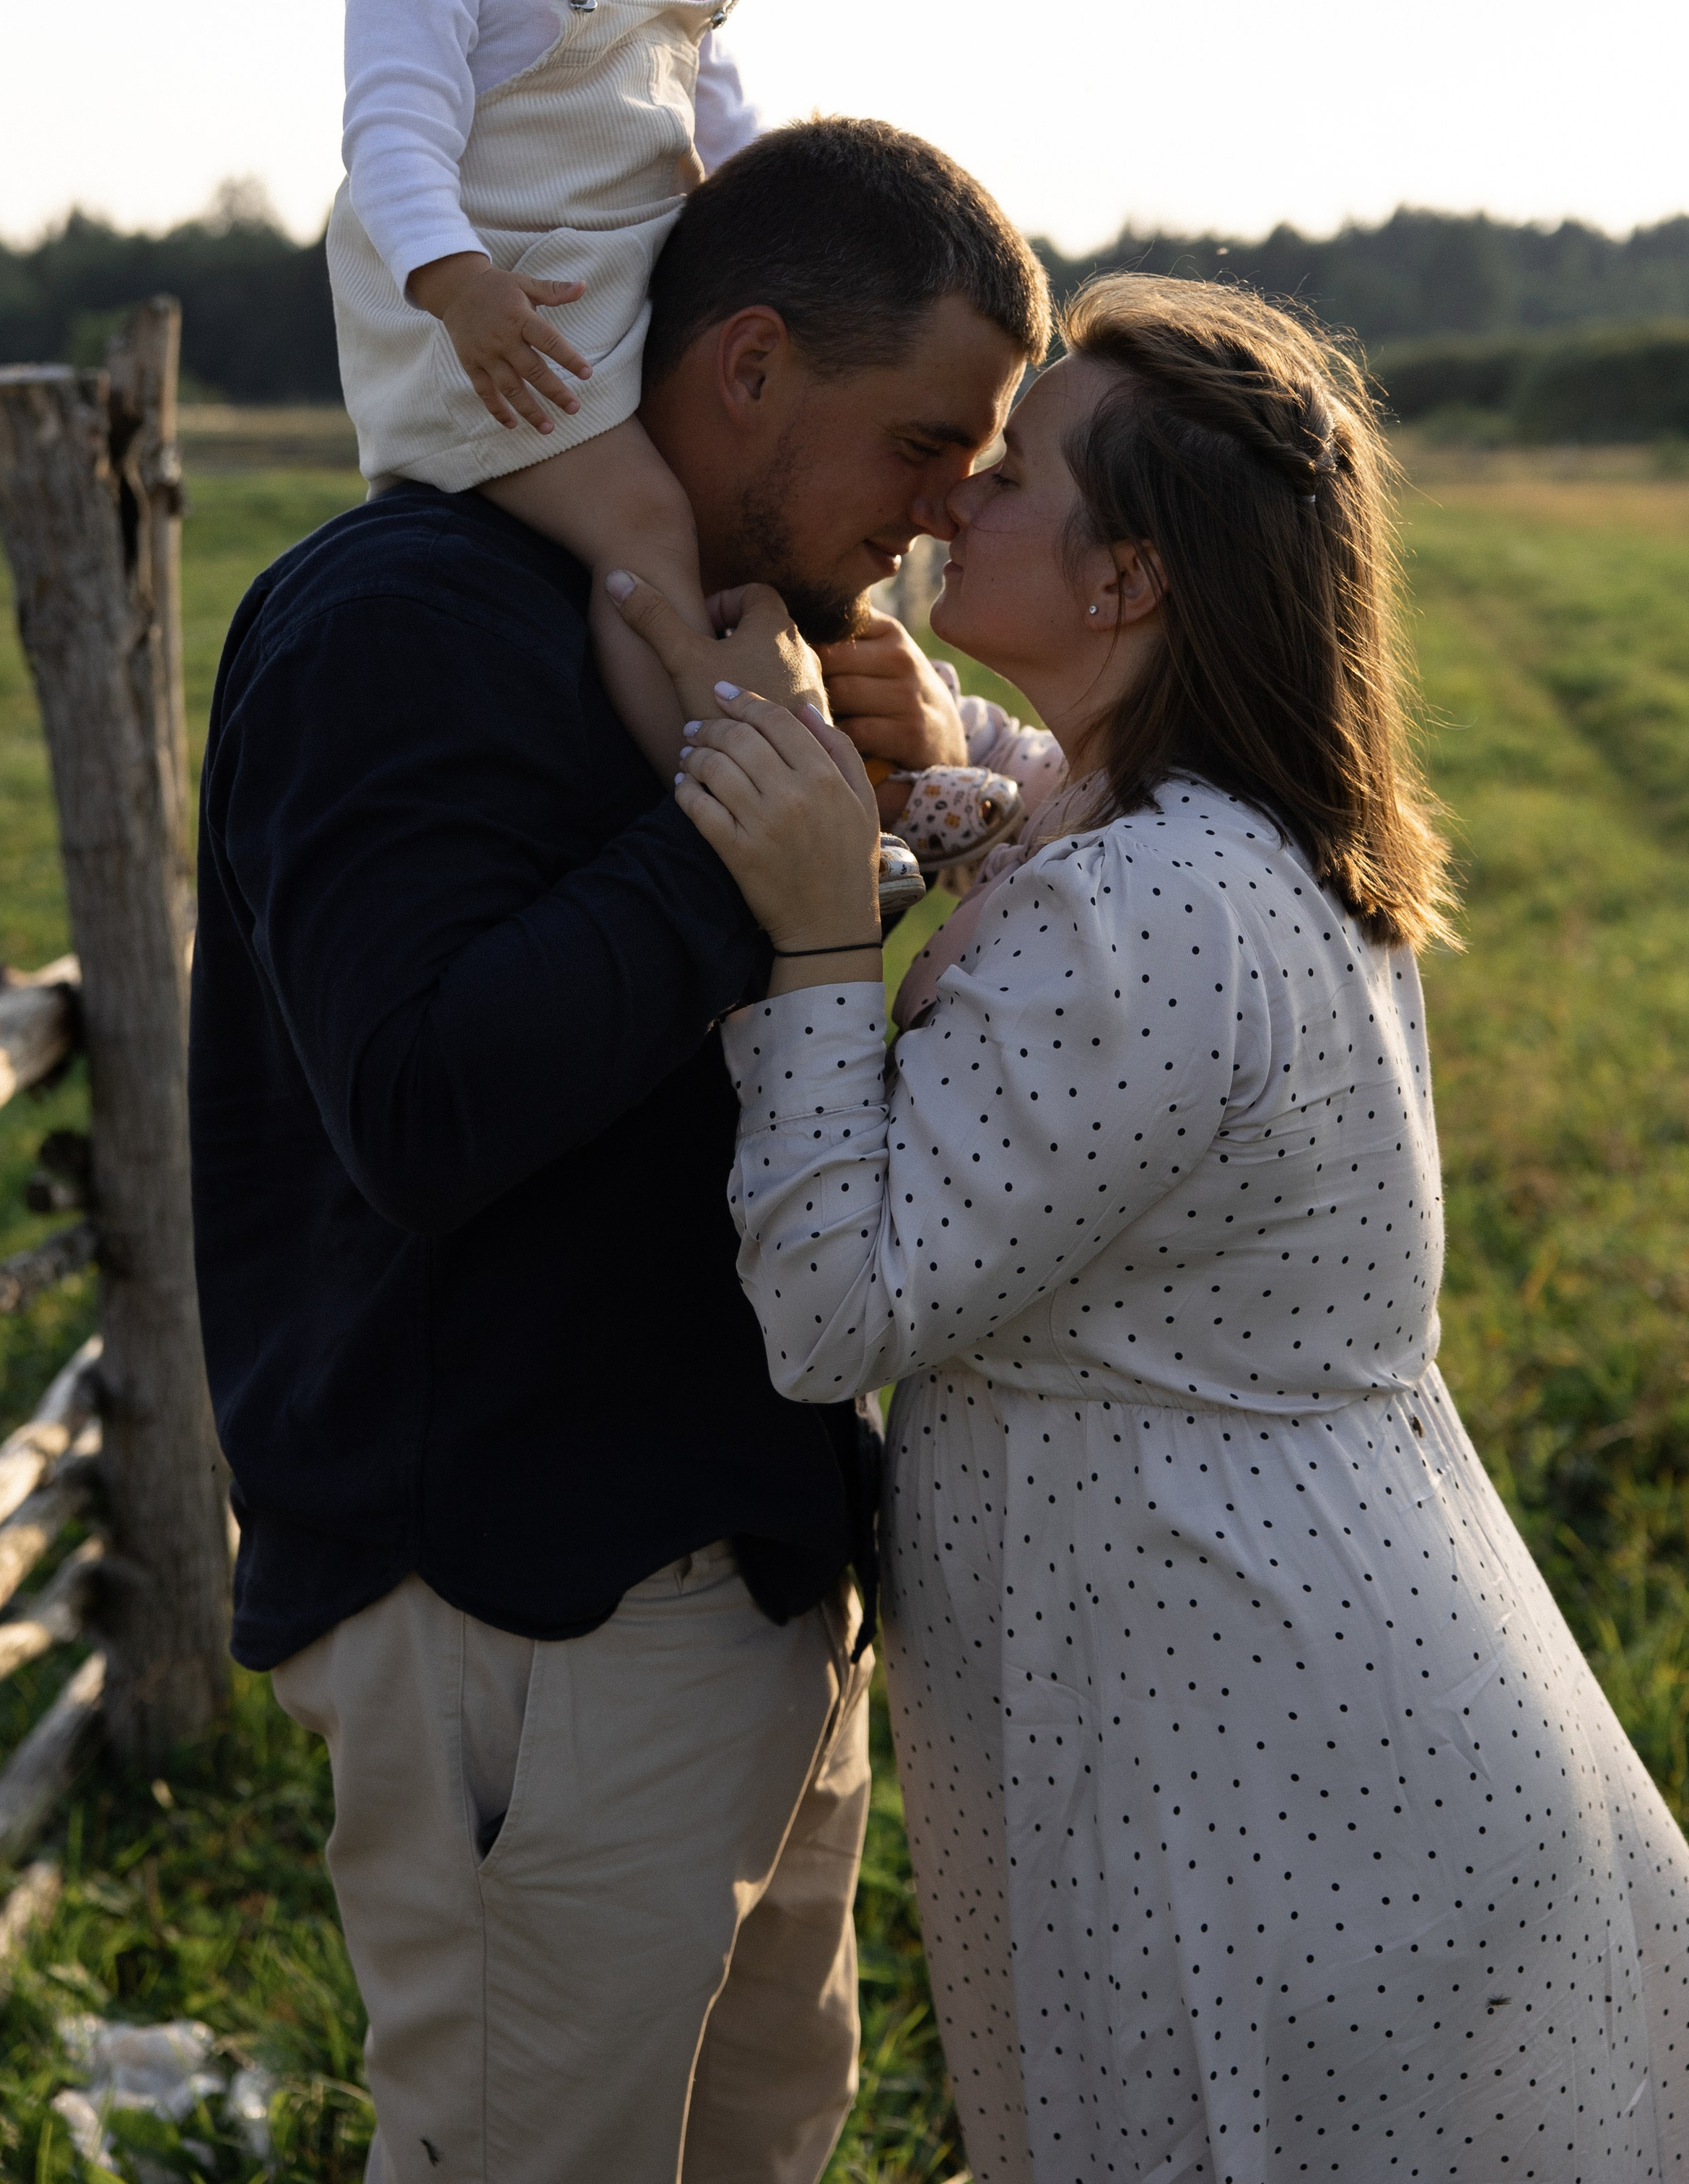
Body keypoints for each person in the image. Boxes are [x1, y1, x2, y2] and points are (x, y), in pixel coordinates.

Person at [631, 274, 1689, 2180]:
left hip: (1235, 1752)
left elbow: (834, 1304)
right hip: (1291, 1668)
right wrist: (947, 776)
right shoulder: (1197, 828)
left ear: (1130, 580)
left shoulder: (1150, 913)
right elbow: (1047, 830)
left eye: (1022, 469)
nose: (963, 490)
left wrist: (818, 927)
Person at [188, 116, 1050, 2184]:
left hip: (749, 1578)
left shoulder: (753, 639)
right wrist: (730, 855)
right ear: (745, 365)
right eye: (924, 444)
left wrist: (860, 832)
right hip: (518, 1604)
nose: (947, 516)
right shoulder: (404, 620)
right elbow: (415, 1105)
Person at [329, 0, 758, 776]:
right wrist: (458, 286)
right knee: (645, 521)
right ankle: (706, 788)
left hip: (627, 312)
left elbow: (731, 148)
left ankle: (845, 746)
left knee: (757, 503)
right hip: (500, 335)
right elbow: (392, 136)